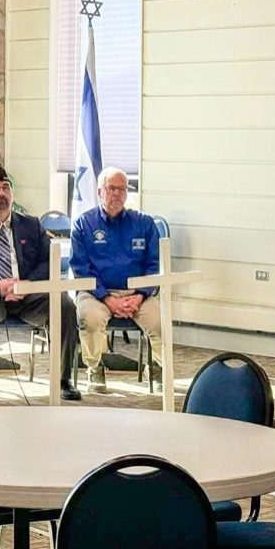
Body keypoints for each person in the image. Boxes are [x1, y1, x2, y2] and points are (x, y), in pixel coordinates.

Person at [0, 166, 81, 401]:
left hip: (27, 294)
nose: (0, 193)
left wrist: (25, 284)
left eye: (5, 188)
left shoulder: (32, 225)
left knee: (64, 304)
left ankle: (62, 378)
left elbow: (48, 261)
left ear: (12, 194)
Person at [70, 167, 162, 394]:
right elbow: (81, 268)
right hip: (95, 293)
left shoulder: (144, 224)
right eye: (112, 188)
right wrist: (107, 298)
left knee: (160, 321)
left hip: (136, 295)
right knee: (90, 318)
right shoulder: (84, 224)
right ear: (100, 191)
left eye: (122, 189)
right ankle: (95, 367)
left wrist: (140, 295)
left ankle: (158, 367)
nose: (117, 194)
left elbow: (153, 266)